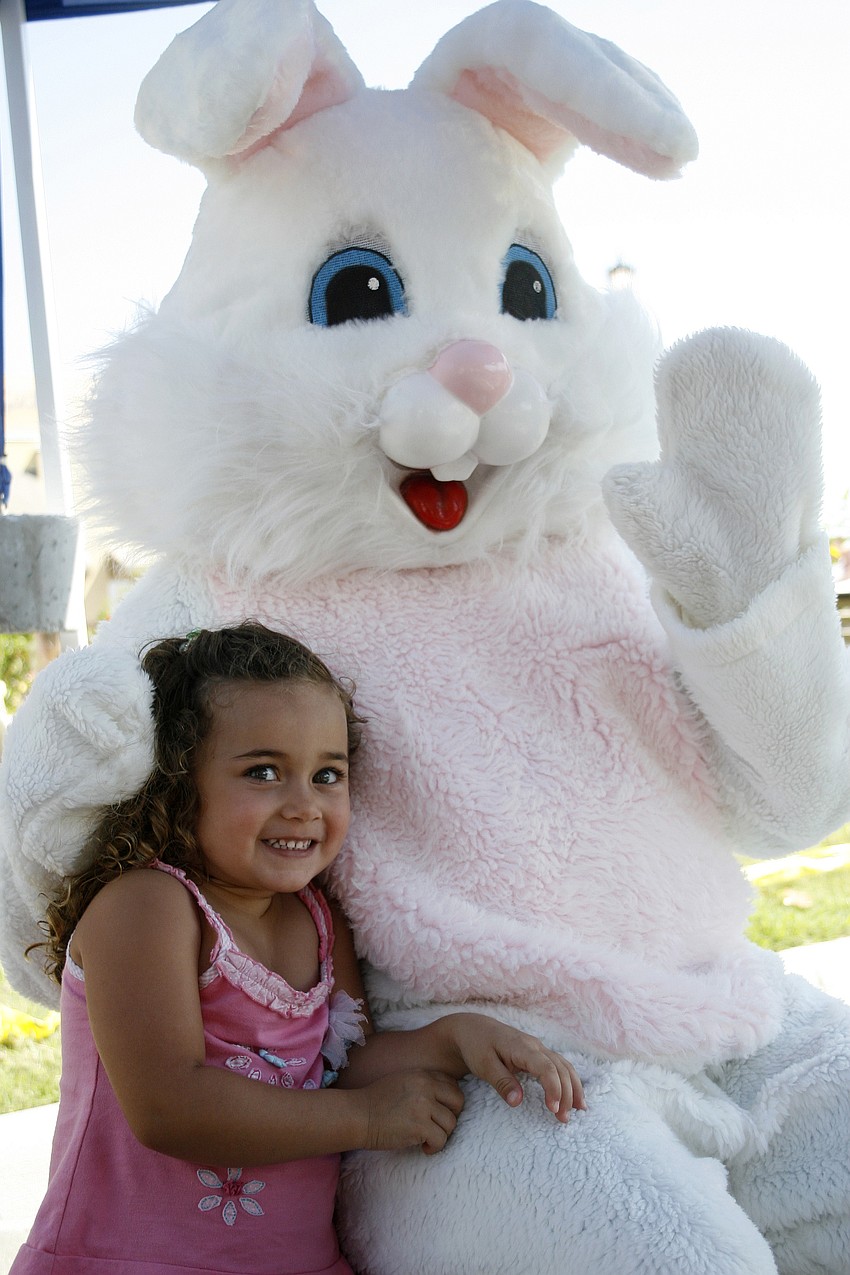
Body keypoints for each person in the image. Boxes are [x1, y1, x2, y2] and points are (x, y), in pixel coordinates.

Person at [12, 622, 585, 1275]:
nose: (303, 804)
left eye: (327, 774)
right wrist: (366, 1118)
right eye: (264, 771)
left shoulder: (318, 919)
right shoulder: (148, 907)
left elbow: (340, 1062)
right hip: (130, 1258)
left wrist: (453, 1039)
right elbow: (169, 1105)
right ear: (178, 780)